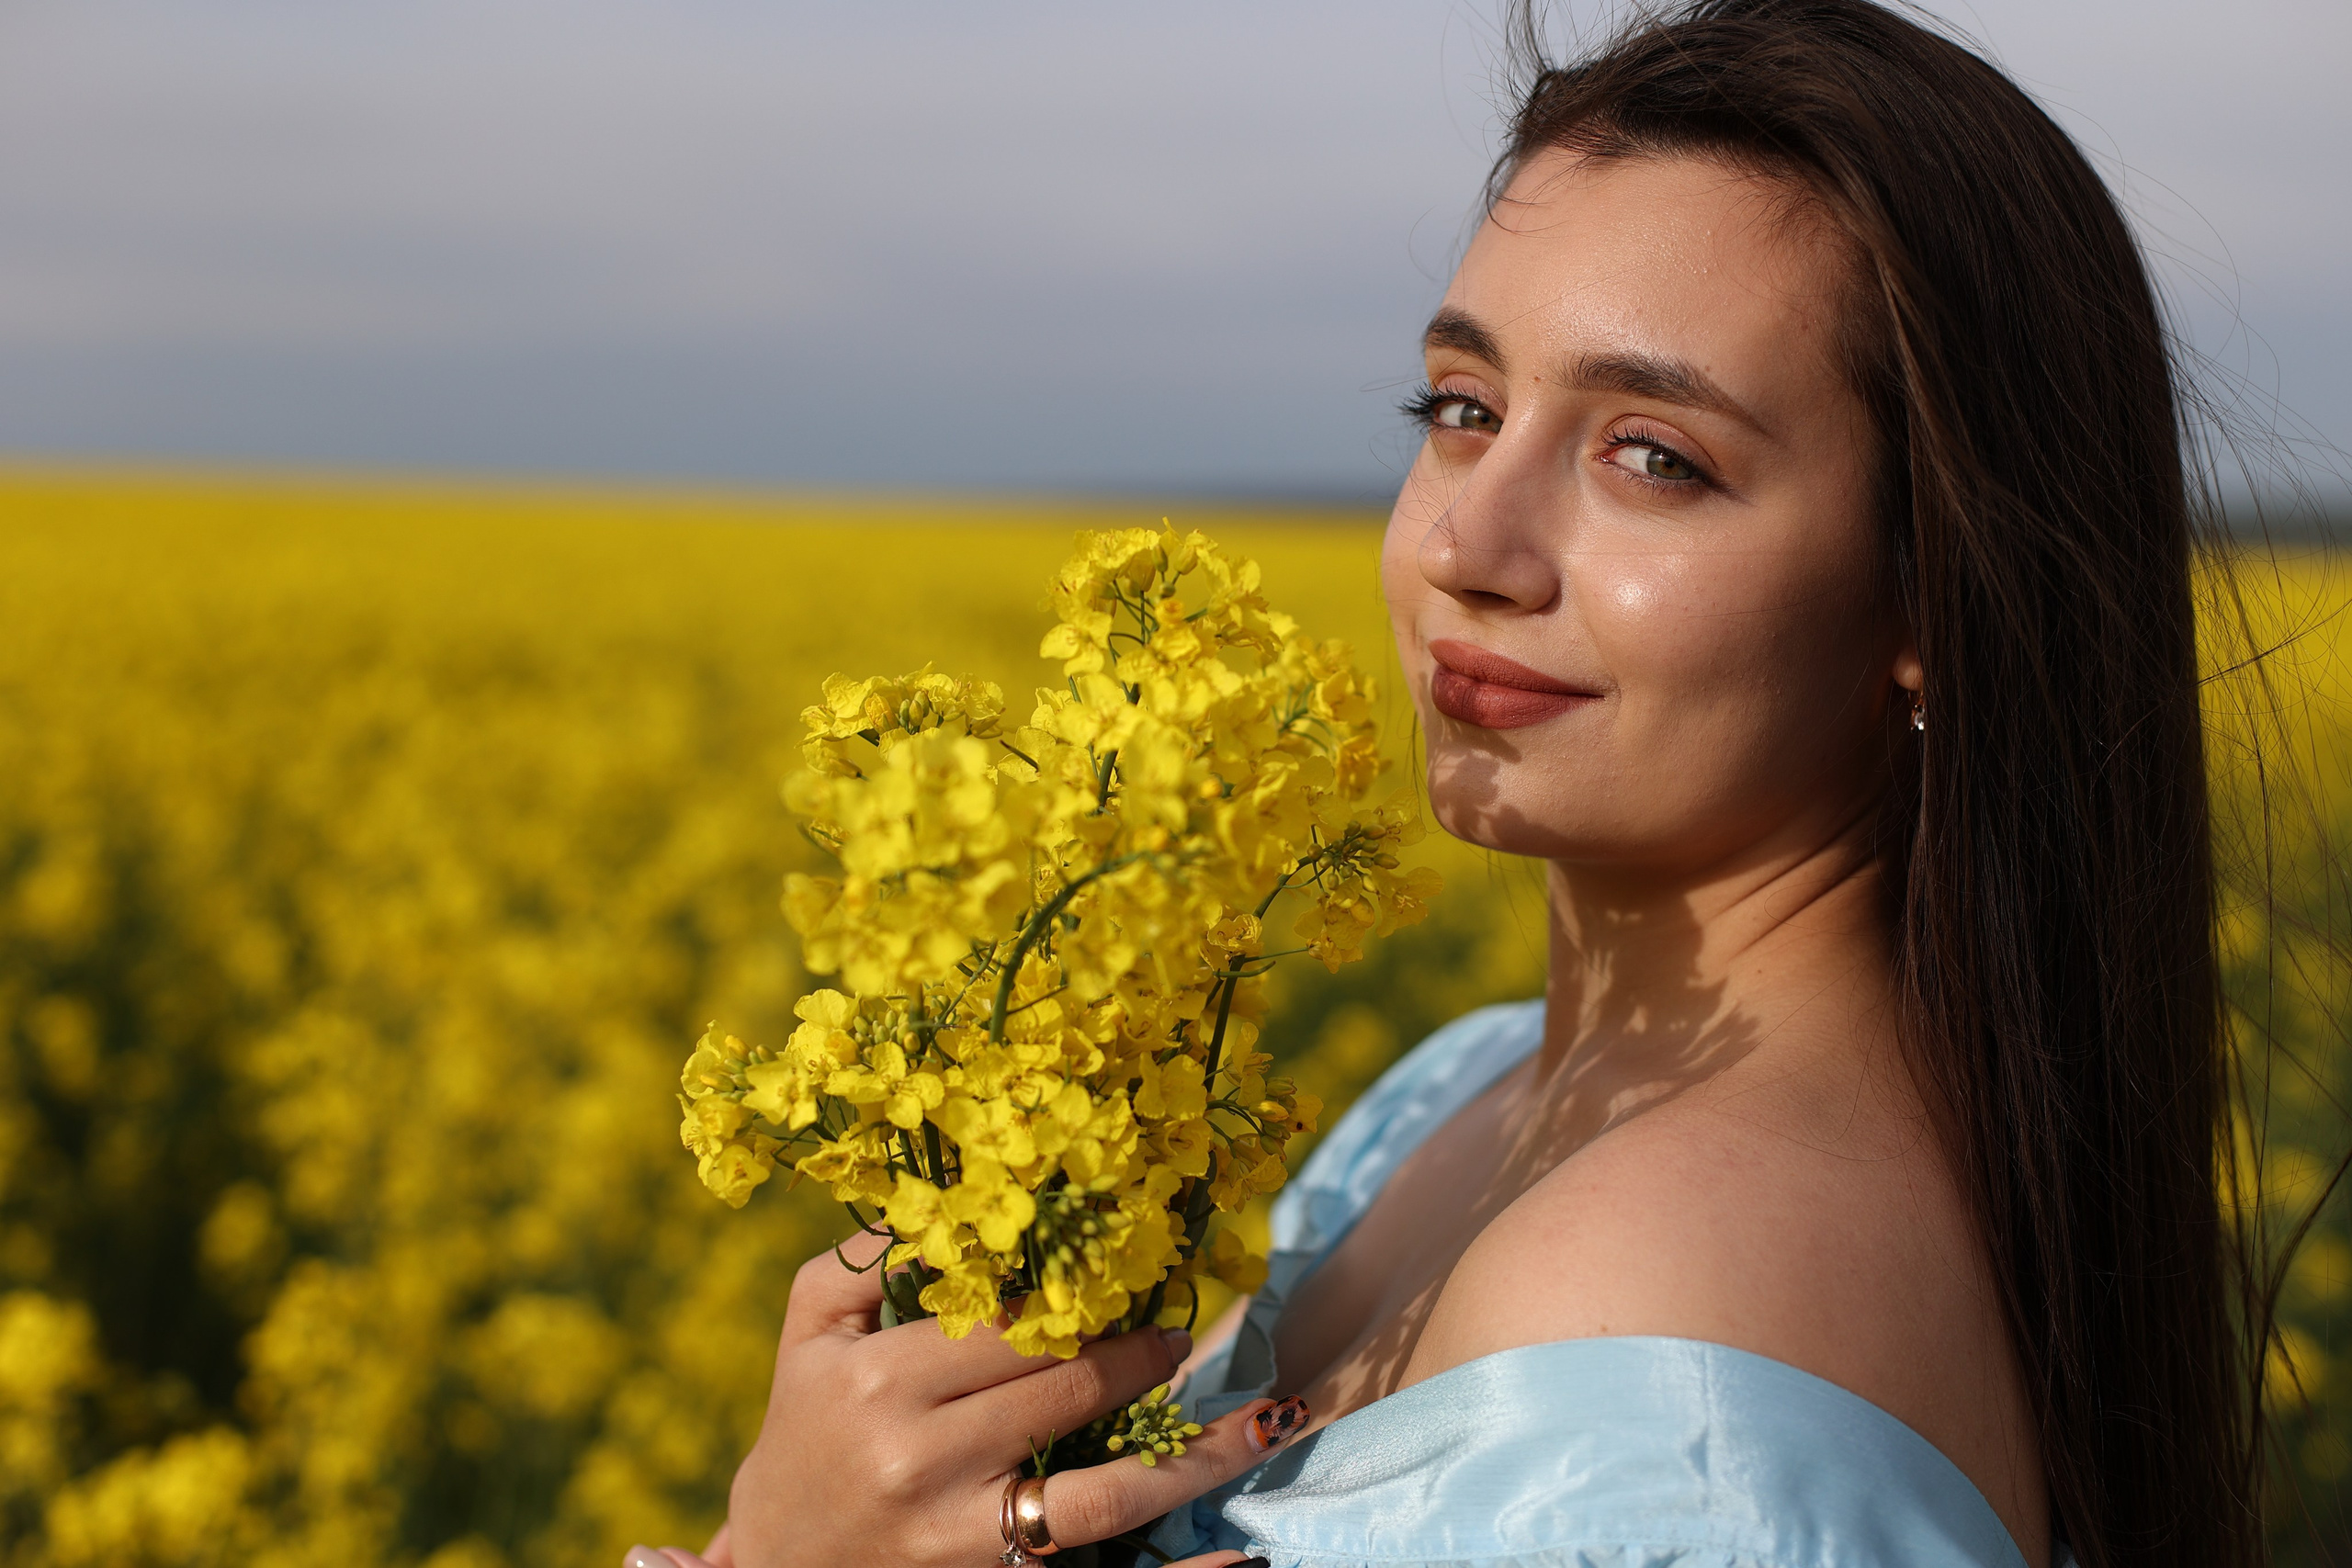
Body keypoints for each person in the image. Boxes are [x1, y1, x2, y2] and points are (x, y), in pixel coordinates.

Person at [629, 1, 2286, 1563]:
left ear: (1936, 593)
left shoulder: (1663, 1336)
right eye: (1463, 406)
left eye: (1656, 455)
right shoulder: (1469, 1096)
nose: (1466, 545)